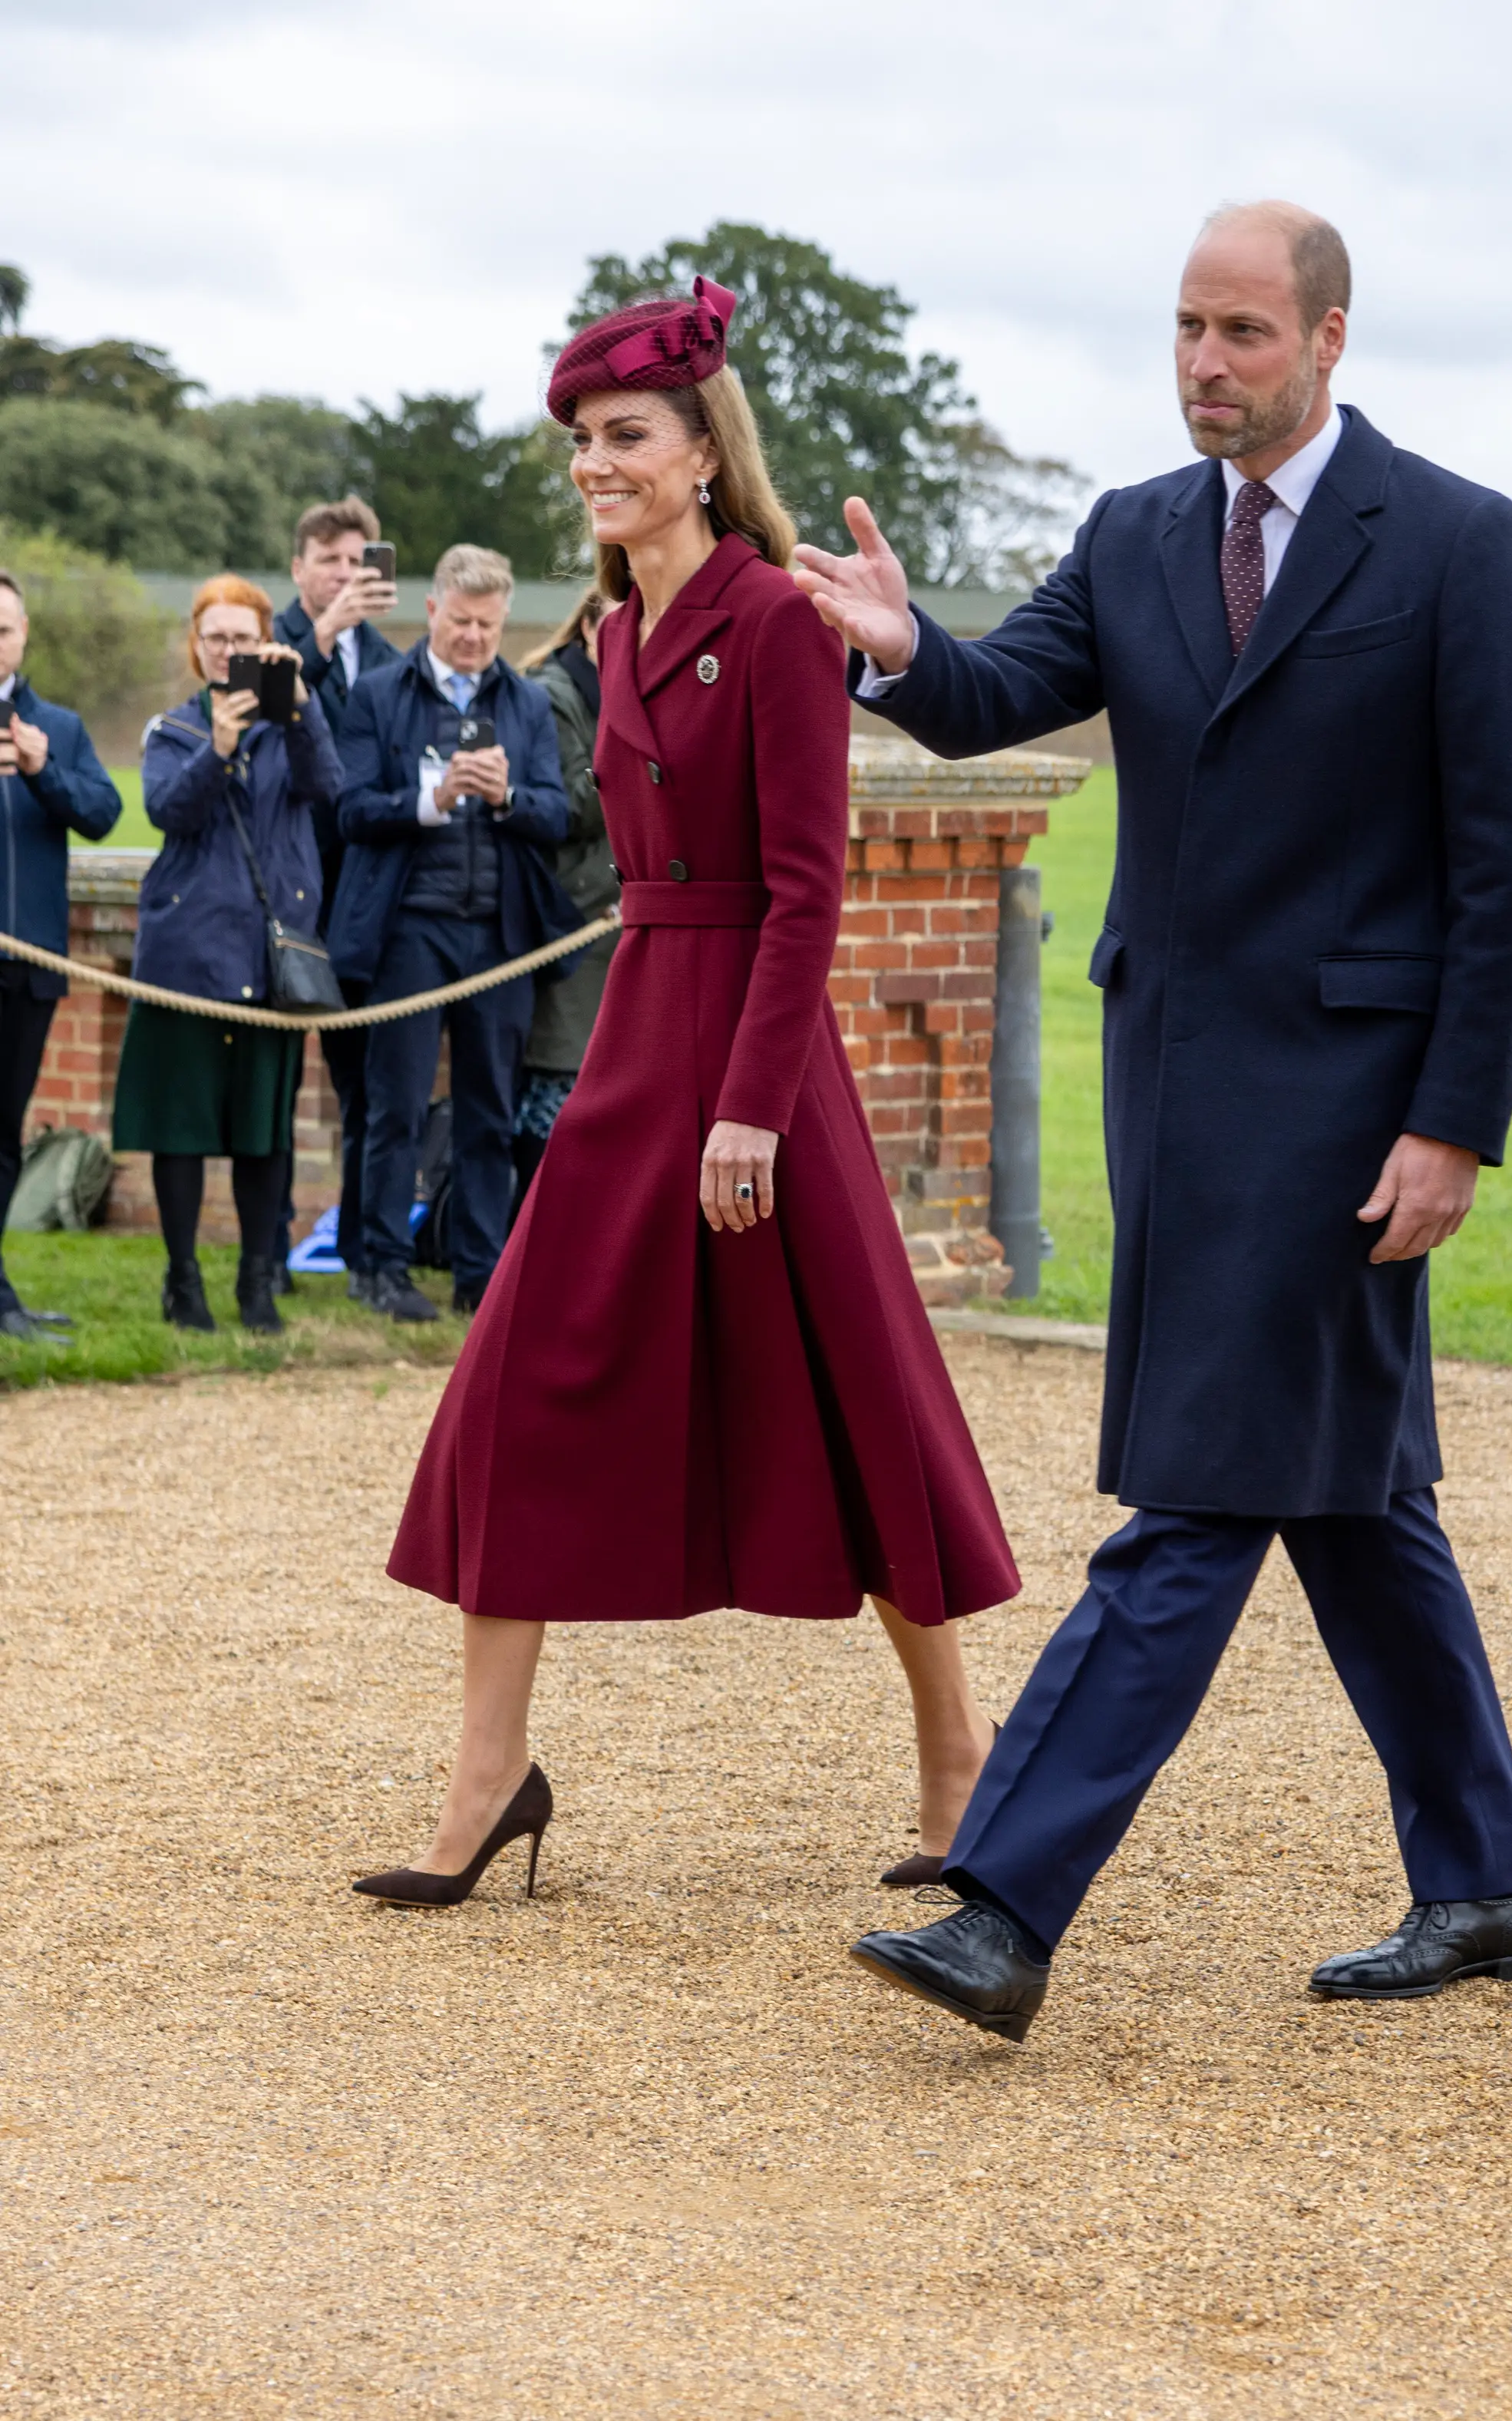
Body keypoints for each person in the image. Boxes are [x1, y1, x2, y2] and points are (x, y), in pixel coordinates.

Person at [806, 202, 1512, 2043]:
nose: (1204, 362)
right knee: (1352, 1497)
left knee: (1202, 1486)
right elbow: (1000, 695)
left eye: (1239, 330)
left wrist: (1452, 1118)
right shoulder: (1135, 531)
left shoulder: (1455, 542)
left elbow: (1509, 857)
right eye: (1184, 329)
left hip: (1348, 1107)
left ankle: (1005, 1895)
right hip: (1175, 1084)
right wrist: (905, 645)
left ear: (1324, 337)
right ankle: (1481, 1883)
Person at [353, 277, 1019, 1910]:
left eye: (627, 435)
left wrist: (752, 1105)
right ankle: (491, 1773)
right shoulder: (614, 630)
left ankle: (960, 1753)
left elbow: (809, 889)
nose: (598, 462)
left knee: (850, 1403)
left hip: (752, 1060)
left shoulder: (776, 620)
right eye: (583, 439)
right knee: (510, 1388)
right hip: (635, 1038)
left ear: (705, 451)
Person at [330, 543, 576, 1321]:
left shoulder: (527, 703)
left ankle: (480, 1272)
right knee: (394, 1106)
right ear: (432, 611)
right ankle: (381, 1266)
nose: (474, 638)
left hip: (499, 933)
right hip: (410, 927)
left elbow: (556, 814)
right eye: (462, 621)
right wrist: (431, 799)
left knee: (488, 1112)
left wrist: (507, 796)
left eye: (489, 626)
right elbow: (352, 810)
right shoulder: (376, 694)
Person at [118, 577, 339, 1333]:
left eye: (243, 639)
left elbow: (328, 788)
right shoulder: (171, 729)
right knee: (182, 1127)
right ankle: (183, 1283)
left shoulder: (297, 724)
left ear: (266, 643)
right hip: (186, 956)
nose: (229, 651)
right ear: (197, 644)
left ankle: (256, 1282)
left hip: (269, 955)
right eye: (216, 638)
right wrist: (217, 748)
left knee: (261, 1128)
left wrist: (301, 704)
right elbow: (166, 811)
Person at [272, 496, 401, 1292]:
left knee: (365, 1092)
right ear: (300, 569)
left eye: (359, 563)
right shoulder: (269, 641)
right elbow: (263, 720)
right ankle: (269, 1257)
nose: (346, 576)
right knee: (275, 1091)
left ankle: (359, 1253)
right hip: (283, 900)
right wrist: (320, 638)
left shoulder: (391, 659)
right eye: (330, 562)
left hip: (361, 907)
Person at [0, 570, 127, 1339]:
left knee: (3, 1134)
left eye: (5, 628)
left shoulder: (59, 726)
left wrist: (46, 771)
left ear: (24, 636)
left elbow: (106, 814)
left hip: (32, 962)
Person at [515, 589, 616, 1200]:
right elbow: (576, 803)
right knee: (556, 1089)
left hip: (616, 917)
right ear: (586, 627)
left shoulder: (620, 692)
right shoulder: (550, 694)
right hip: (571, 919)